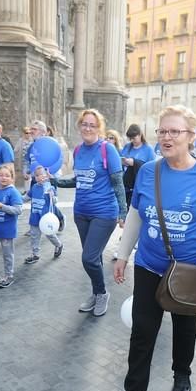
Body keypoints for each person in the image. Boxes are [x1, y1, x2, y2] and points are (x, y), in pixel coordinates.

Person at [105, 105, 196, 391]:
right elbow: (136, 214)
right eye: (162, 131)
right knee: (142, 332)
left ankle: (182, 373)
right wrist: (123, 254)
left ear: (191, 137)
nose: (166, 137)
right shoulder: (149, 171)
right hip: (150, 265)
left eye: (174, 131)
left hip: (193, 271)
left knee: (184, 328)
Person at [56, 109, 127, 317]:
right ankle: (96, 293)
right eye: (84, 124)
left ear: (99, 128)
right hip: (81, 213)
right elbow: (77, 180)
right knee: (94, 257)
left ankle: (102, 293)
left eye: (92, 125)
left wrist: (123, 212)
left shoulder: (107, 150)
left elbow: (118, 183)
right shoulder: (78, 151)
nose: (87, 128)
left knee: (88, 258)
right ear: (79, 126)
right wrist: (53, 180)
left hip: (104, 213)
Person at [24, 165, 64, 264]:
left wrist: (52, 196)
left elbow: (55, 201)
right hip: (35, 216)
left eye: (41, 174)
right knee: (34, 236)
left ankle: (58, 245)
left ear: (46, 175)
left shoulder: (49, 187)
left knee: (50, 234)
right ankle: (35, 254)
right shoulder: (34, 187)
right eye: (36, 175)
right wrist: (16, 199)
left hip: (46, 218)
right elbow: (26, 198)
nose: (39, 177)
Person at [121, 124, 156, 207]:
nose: (132, 140)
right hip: (126, 182)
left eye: (134, 138)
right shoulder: (127, 147)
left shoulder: (148, 149)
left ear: (140, 135)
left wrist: (135, 163)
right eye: (131, 138)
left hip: (139, 182)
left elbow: (151, 168)